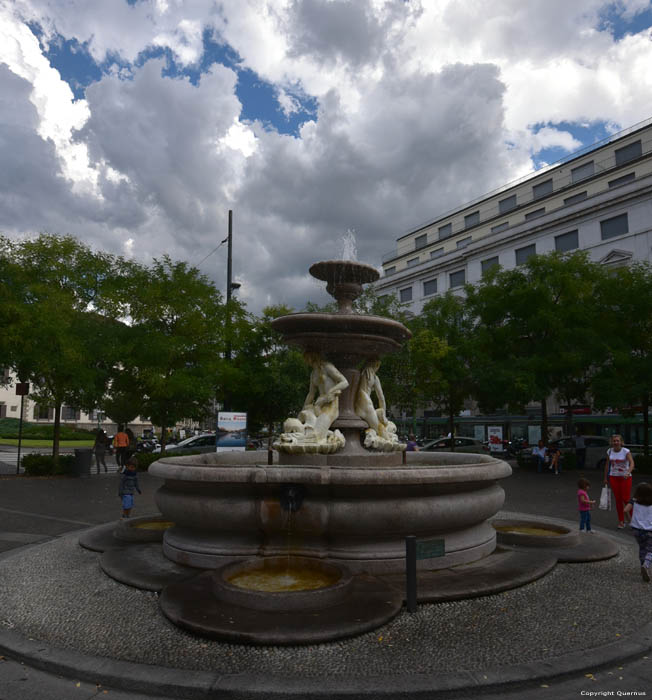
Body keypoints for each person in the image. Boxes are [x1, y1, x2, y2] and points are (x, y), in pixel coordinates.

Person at [301, 352, 349, 441]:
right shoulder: (313, 374)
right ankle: (331, 435)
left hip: (331, 405)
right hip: (318, 405)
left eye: (307, 356)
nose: (306, 360)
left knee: (317, 432)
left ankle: (336, 436)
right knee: (305, 424)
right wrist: (302, 411)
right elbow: (311, 394)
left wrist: (331, 392)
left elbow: (345, 382)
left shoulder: (327, 367)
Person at [603, 434, 635, 528]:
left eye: (618, 441)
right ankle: (621, 521)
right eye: (614, 441)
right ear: (611, 442)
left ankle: (634, 520)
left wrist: (628, 472)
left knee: (626, 499)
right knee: (618, 500)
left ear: (621, 442)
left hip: (625, 477)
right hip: (613, 477)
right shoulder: (609, 451)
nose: (616, 442)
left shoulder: (625, 451)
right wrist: (605, 478)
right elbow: (607, 465)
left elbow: (632, 463)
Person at [624, 482, 652, 583]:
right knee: (650, 550)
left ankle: (642, 567)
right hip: (649, 530)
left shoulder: (634, 501)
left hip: (636, 529)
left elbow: (625, 510)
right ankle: (646, 565)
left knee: (642, 548)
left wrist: (630, 521)